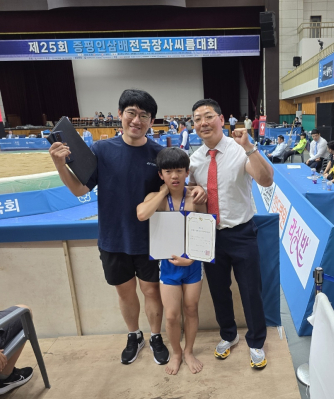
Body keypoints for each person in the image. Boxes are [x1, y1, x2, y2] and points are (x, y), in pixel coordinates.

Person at [49, 89, 205, 366]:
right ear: (120, 114)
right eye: (131, 113)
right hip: (113, 237)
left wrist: (197, 189)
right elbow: (79, 189)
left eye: (144, 115)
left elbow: (176, 186)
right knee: (124, 292)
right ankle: (134, 335)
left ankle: (155, 336)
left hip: (150, 239)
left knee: (151, 291)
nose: (136, 120)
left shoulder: (158, 154)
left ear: (151, 121)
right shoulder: (101, 150)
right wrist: (60, 165)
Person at [189, 98, 274, 369]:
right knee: (219, 291)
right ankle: (228, 335)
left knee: (250, 290)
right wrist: (194, 191)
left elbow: (266, 180)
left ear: (221, 119)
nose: (203, 123)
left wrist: (249, 147)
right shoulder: (194, 160)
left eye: (208, 116)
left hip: (241, 233)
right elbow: (189, 194)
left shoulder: (240, 150)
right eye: (197, 119)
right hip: (210, 235)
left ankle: (256, 341)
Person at [137, 148, 207, 375]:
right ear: (160, 174)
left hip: (193, 264)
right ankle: (176, 353)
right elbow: (141, 215)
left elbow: (205, 232)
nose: (174, 176)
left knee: (191, 309)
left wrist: (192, 258)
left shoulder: (196, 197)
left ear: (187, 172)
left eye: (179, 171)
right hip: (167, 266)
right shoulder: (155, 198)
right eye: (168, 172)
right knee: (171, 315)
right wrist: (163, 192)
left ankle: (189, 351)